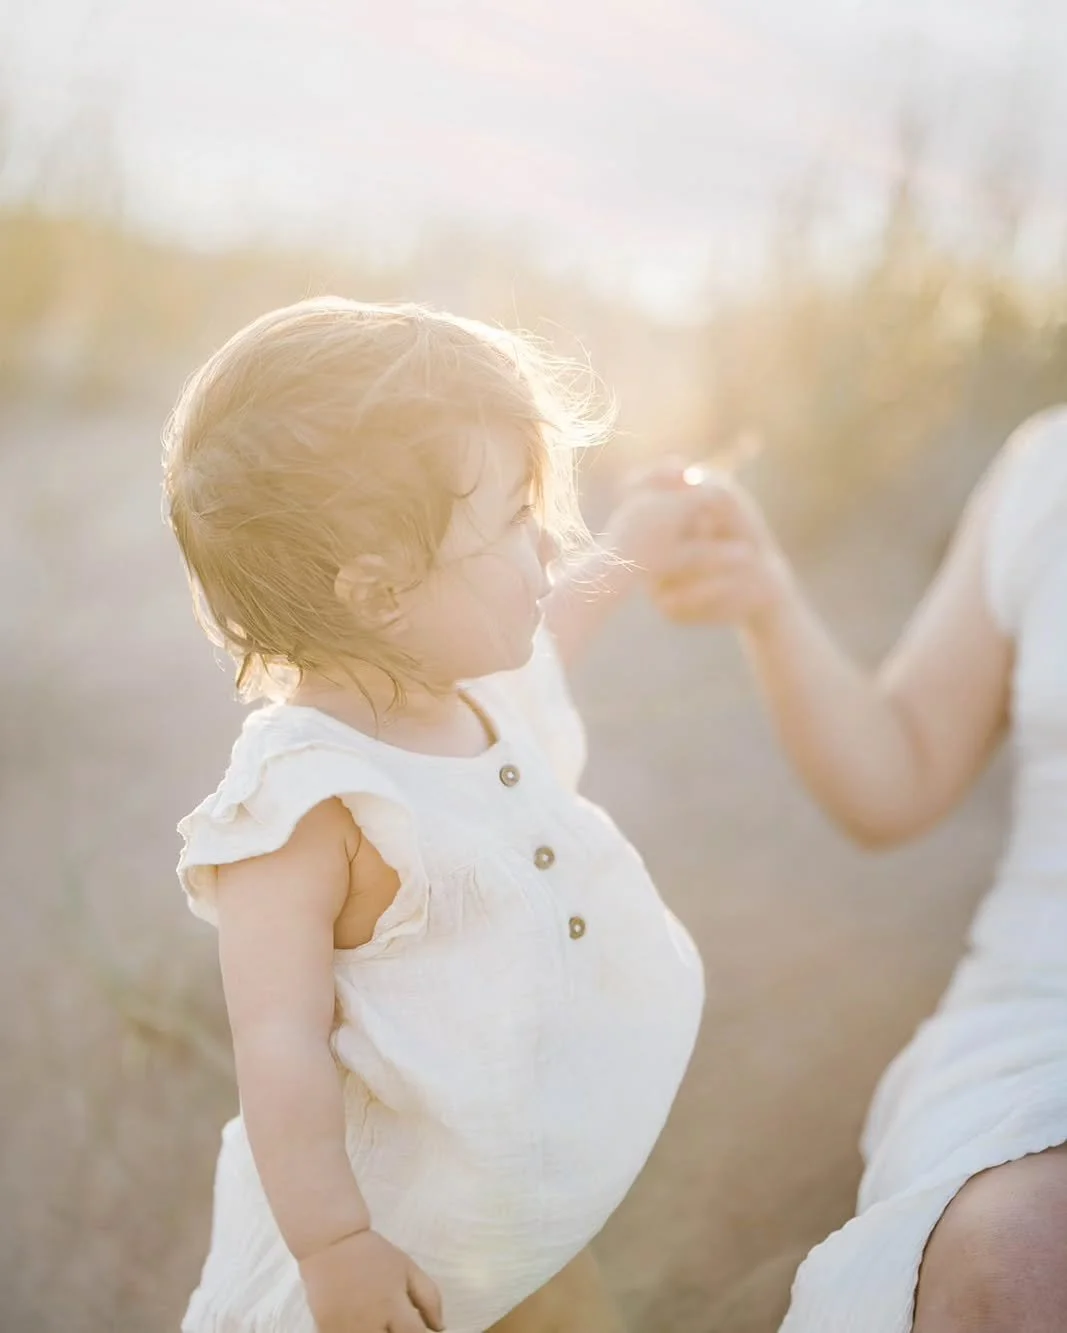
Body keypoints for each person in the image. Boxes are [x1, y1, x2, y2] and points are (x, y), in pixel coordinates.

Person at [164, 298, 707, 1333]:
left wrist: (635, 534)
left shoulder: (469, 686)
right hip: (388, 1258)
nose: (544, 545)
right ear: (376, 593)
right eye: (510, 519)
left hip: (509, 1212)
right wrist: (334, 1246)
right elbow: (275, 1037)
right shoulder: (307, 797)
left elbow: (562, 622)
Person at [652, 407, 1067, 1331]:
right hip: (1039, 1012)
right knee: (1012, 1264)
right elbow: (897, 774)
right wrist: (768, 601)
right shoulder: (1047, 469)